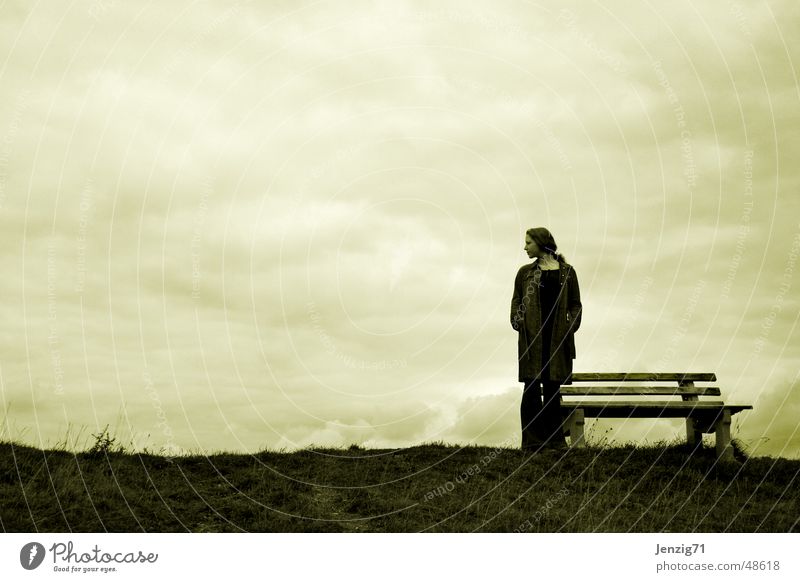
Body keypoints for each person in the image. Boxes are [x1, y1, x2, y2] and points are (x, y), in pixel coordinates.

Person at [510, 227, 582, 453]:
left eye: (528, 243)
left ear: (541, 243)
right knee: (531, 388)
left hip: (557, 340)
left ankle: (554, 442)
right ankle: (531, 443)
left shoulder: (567, 273)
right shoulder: (524, 273)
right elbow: (516, 302)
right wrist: (518, 322)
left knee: (552, 389)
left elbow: (575, 305)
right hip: (532, 340)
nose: (525, 247)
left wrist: (569, 328)